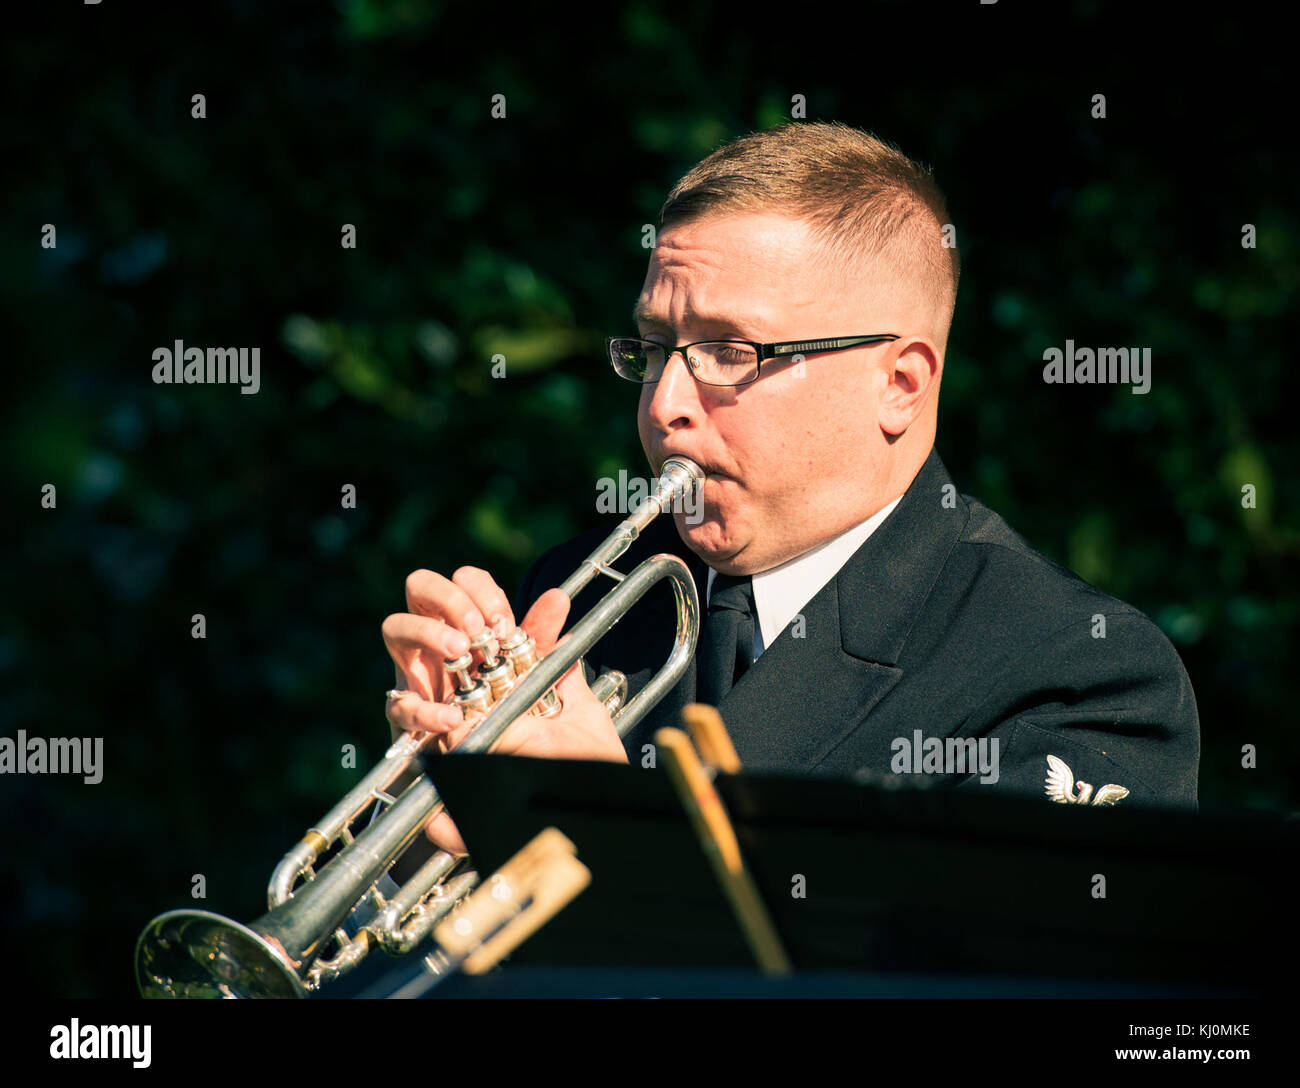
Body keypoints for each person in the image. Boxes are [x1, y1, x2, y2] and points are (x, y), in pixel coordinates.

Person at [381, 122, 1199, 856]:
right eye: (656, 347)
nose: (665, 406)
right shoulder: (582, 598)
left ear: (901, 385)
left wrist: (620, 838)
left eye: (732, 351)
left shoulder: (1080, 676)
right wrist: (429, 819)